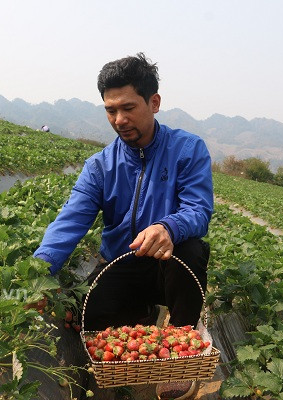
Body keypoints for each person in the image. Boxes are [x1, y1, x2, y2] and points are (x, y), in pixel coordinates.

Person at [33, 53, 213, 398]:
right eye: (110, 110)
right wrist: (39, 271)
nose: (119, 119)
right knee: (84, 320)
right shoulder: (100, 166)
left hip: (167, 266)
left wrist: (168, 228)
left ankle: (180, 341)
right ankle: (141, 311)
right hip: (119, 264)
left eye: (128, 107)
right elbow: (70, 220)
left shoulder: (187, 150)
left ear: (154, 102)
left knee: (190, 248)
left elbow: (199, 209)